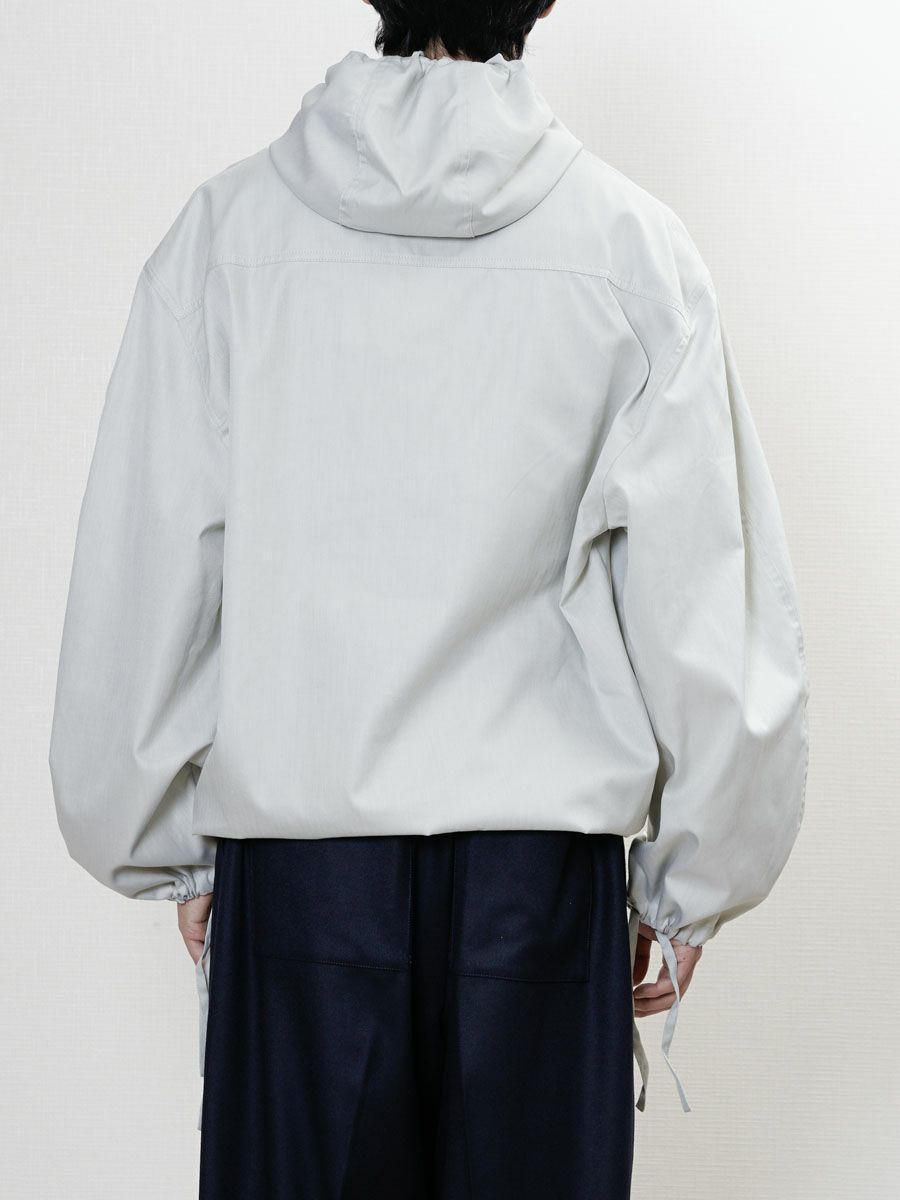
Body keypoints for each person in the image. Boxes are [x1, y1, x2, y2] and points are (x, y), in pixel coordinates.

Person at [48, 2, 810, 1196]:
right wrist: (693, 885)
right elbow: (708, 596)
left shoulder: (224, 239)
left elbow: (147, 565)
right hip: (537, 888)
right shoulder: (632, 251)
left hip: (302, 885)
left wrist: (167, 847)